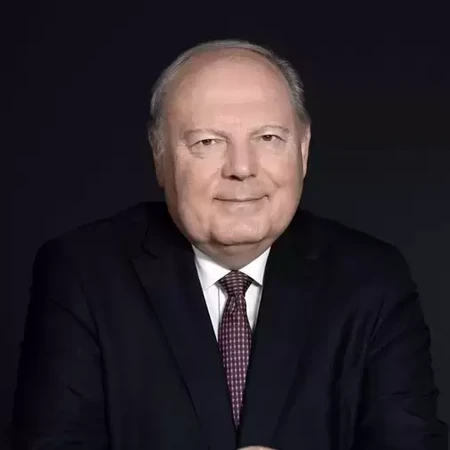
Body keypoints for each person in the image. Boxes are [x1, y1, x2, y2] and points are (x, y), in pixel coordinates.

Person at [11, 39, 447, 450]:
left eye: (268, 138)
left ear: (303, 150)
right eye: (208, 142)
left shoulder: (372, 280)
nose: (241, 168)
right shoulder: (83, 275)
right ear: (159, 155)